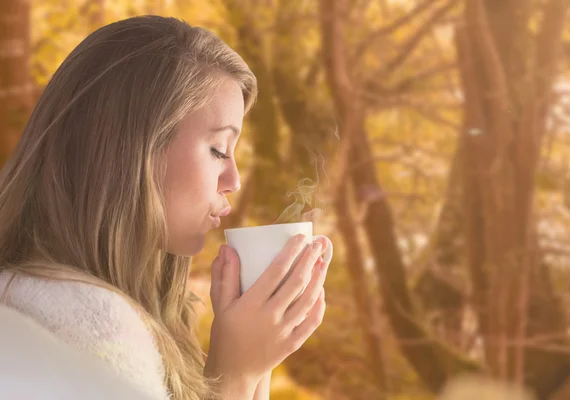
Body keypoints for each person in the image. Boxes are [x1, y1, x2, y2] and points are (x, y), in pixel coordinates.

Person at [0, 15, 331, 400]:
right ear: (132, 150)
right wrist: (236, 374)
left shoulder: (59, 302)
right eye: (219, 150)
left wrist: (256, 361)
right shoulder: (93, 328)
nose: (234, 180)